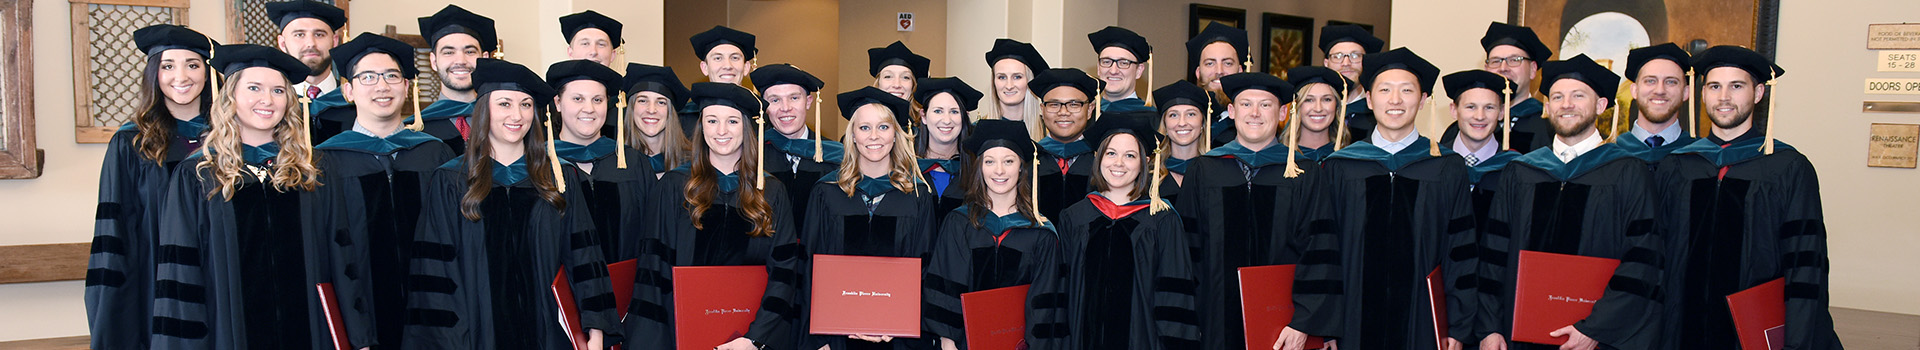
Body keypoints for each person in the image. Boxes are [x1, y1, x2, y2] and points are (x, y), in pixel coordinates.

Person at [405, 58, 618, 349]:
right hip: (476, 336)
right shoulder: (451, 180)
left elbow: (584, 255)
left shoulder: (559, 175)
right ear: (484, 110)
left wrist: (595, 324)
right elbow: (437, 273)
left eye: (526, 104)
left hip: (549, 334)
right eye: (504, 104)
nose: (517, 115)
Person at [1280, 48, 1477, 350]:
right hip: (1351, 322)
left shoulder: (1446, 167)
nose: (1395, 100)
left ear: (1423, 100)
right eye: (1385, 90)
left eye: (1406, 90)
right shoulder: (1340, 166)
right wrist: (1327, 325)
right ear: (1370, 99)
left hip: (1422, 321)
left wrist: (1458, 326)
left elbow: (1459, 251)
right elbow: (1323, 251)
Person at [148, 44, 340, 349]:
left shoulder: (310, 171)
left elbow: (340, 259)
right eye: (254, 88)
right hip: (226, 333)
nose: (267, 100)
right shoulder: (198, 174)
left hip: (308, 331)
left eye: (278, 91)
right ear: (231, 98)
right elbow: (180, 271)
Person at [1654, 45, 1844, 350]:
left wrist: (1796, 341)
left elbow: (1806, 264)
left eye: (1736, 86)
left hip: (1753, 330)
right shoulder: (1676, 166)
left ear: (1758, 94)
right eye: (1714, 86)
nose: (1724, 97)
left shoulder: (1788, 168)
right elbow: (1655, 257)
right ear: (1702, 94)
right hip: (1679, 330)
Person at [1477, 54, 1662, 350]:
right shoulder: (1521, 171)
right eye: (1558, 97)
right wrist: (1489, 327)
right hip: (1518, 334)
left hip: (1595, 339)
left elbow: (1643, 258)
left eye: (1578, 96)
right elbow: (1493, 255)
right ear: (1546, 107)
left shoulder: (1627, 171)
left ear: (1600, 105)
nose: (1566, 104)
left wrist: (1594, 328)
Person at [626, 82, 801, 350]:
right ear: (701, 126)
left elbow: (784, 272)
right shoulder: (675, 187)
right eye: (712, 120)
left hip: (753, 341)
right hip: (682, 336)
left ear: (747, 128)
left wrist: (755, 338)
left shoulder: (771, 191)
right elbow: (654, 272)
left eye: (732, 121)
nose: (721, 131)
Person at [314, 32, 457, 349]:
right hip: (359, 327)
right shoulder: (325, 162)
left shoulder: (435, 155)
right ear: (348, 90)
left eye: (392, 76)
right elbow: (322, 255)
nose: (382, 86)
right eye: (368, 77)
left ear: (407, 87)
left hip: (436, 324)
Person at [87, 24, 213, 350]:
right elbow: (116, 233)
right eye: (168, 66)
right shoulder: (131, 142)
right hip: (156, 286)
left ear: (207, 73)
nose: (181, 76)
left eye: (193, 65)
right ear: (153, 74)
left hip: (219, 276)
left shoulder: (228, 139)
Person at [1036, 110, 1200, 350]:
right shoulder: (1073, 218)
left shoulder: (1162, 220)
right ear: (1098, 158)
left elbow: (1174, 300)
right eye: (1111, 153)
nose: (1119, 163)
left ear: (1144, 162)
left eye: (1130, 156)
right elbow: (1061, 295)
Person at [798, 87, 941, 350]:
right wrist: (819, 339)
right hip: (836, 336)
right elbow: (810, 267)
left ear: (896, 135)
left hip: (898, 338)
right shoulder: (826, 192)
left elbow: (926, 270)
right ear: (852, 135)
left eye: (884, 127)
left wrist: (899, 326)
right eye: (864, 128)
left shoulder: (918, 195)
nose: (874, 136)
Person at [1173, 72, 1308, 350]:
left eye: (1266, 105)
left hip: (1283, 327)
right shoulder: (1203, 171)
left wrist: (1304, 322)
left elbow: (1318, 251)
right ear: (1232, 111)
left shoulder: (1303, 174)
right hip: (1212, 322)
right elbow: (1186, 252)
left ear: (1283, 112)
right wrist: (1190, 319)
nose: (1255, 113)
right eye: (1246, 104)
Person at [922, 120, 1064, 350]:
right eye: (990, 161)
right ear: (980, 167)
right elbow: (945, 288)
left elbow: (1046, 304)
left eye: (1008, 161)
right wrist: (948, 344)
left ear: (1021, 167)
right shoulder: (960, 223)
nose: (999, 170)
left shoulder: (1040, 233)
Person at [546, 59, 653, 279]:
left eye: (598, 100)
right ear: (557, 102)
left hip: (627, 295)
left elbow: (652, 236)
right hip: (558, 302)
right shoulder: (539, 166)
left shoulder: (634, 164)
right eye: (577, 99)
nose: (589, 108)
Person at [752, 63, 838, 228]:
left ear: (808, 101)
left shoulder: (835, 156)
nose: (785, 108)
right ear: (764, 107)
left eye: (794, 98)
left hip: (818, 251)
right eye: (775, 100)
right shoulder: (753, 155)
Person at [415, 4, 500, 155]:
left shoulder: (506, 122)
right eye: (449, 52)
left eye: (469, 51)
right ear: (433, 61)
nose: (460, 60)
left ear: (485, 59)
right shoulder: (416, 131)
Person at [263, 0, 351, 142]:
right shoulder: (269, 106)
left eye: (319, 34)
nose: (310, 43)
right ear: (282, 43)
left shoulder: (354, 101)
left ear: (335, 41)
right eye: (299, 35)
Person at [1027, 68, 1100, 220]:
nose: (1063, 112)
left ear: (1089, 110)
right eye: (1054, 104)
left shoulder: (1103, 161)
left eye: (1074, 104)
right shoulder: (1027, 160)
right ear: (1042, 110)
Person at [1472, 22, 1555, 152]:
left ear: (1533, 69)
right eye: (1495, 61)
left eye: (1514, 60)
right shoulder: (1466, 125)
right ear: (1486, 69)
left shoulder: (1550, 127)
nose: (1503, 68)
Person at [913, 77, 984, 224]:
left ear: (965, 117)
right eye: (938, 111)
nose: (946, 120)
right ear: (924, 116)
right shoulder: (906, 166)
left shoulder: (978, 168)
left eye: (954, 112)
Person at [1616, 43, 1697, 164]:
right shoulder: (1610, 156)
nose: (1660, 90)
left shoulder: (1700, 155)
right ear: (1634, 90)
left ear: (1686, 92)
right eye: (1650, 81)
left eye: (1671, 82)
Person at [679, 25, 758, 135]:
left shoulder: (761, 116)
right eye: (718, 58)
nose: (727, 66)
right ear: (705, 68)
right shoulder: (684, 119)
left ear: (746, 67)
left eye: (734, 58)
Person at [622, 63, 693, 178]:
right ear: (632, 108)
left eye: (661, 102)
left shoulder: (692, 165)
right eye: (643, 101)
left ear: (670, 112)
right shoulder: (615, 162)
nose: (651, 110)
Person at [1316, 24, 1384, 141]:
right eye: (1337, 56)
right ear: (1326, 63)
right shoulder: (1309, 112)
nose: (1346, 63)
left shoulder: (1380, 113)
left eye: (1355, 55)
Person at [1187, 22, 1249, 148]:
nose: (1219, 71)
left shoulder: (1253, 124)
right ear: (1198, 73)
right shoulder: (1183, 123)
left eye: (1228, 63)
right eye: (1210, 63)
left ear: (1240, 71)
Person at [983, 38, 1050, 139]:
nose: (1009, 86)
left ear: (1029, 81)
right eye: (1002, 77)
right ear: (994, 82)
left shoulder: (1048, 132)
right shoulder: (978, 130)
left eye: (1017, 77)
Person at [1285, 66, 1353, 161]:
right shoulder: (1280, 158)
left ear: (1337, 106)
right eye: (1309, 100)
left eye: (1327, 99)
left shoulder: (1349, 158)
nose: (1318, 108)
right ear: (1296, 106)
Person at [1087, 26, 1154, 113]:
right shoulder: (1085, 115)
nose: (1113, 71)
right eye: (1106, 62)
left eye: (1123, 63)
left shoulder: (1151, 118)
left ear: (1139, 71)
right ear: (1099, 68)